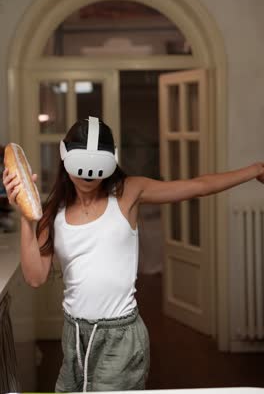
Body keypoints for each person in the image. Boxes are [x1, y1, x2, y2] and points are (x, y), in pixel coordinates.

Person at [3, 116, 264, 392]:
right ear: (65, 158)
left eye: (95, 170)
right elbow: (34, 277)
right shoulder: (53, 213)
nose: (88, 179)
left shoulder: (129, 192)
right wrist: (24, 216)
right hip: (74, 335)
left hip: (120, 337)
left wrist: (255, 169)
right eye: (80, 170)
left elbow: (197, 186)